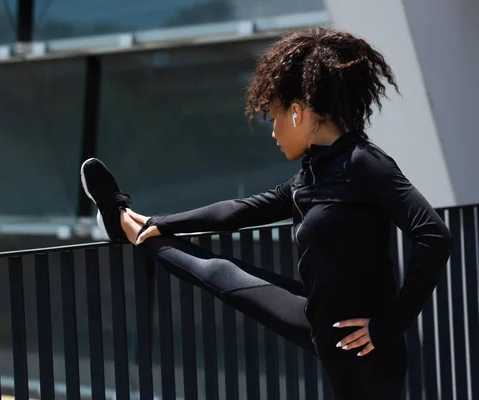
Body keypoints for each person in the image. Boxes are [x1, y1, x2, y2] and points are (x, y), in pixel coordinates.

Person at [80, 27, 452, 399]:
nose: (272, 131)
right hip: (319, 320)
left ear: (297, 112)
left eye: (274, 116)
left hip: (364, 350)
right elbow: (239, 212)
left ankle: (129, 224)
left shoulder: (365, 163)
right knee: (217, 273)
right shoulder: (312, 174)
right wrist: (159, 223)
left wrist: (390, 325)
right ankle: (128, 222)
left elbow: (434, 236)